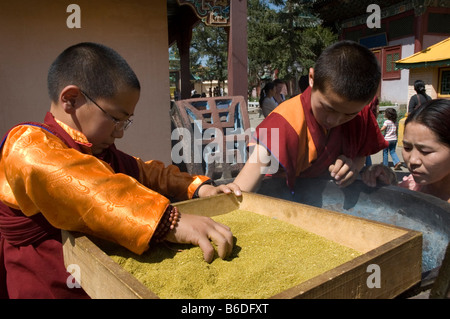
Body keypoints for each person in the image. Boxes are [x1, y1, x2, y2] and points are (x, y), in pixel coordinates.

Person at [0, 42, 241, 299]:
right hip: (46, 285)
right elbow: (87, 189)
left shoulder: (100, 153)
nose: (120, 132)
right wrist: (172, 222)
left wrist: (197, 186)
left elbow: (145, 171)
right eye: (116, 119)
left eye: (127, 121)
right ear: (71, 99)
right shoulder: (26, 143)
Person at [233, 41, 388, 192]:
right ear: (312, 78)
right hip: (281, 197)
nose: (333, 121)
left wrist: (352, 166)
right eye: (328, 108)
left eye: (348, 115)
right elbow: (246, 182)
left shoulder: (360, 114)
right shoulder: (284, 120)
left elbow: (361, 153)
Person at [361, 99, 450, 204]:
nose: (412, 160)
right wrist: (386, 177)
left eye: (425, 151)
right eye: (407, 148)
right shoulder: (411, 185)